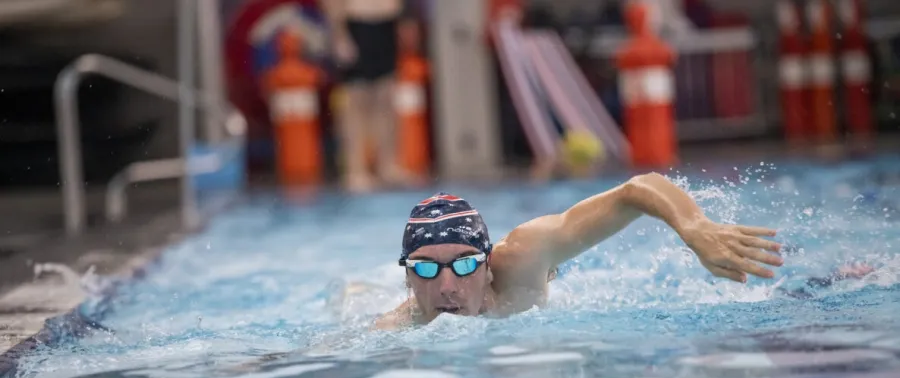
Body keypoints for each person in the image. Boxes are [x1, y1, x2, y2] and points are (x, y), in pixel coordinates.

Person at [373, 172, 784, 329]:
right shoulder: (396, 331)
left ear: (490, 266)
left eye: (464, 265)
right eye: (426, 270)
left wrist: (694, 227)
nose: (447, 286)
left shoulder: (521, 256)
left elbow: (636, 190)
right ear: (408, 278)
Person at [322, 0, 418, 192]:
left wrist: (406, 21)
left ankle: (388, 164)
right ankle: (355, 169)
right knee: (357, 98)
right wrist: (339, 33)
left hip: (387, 19)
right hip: (356, 20)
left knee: (386, 96)